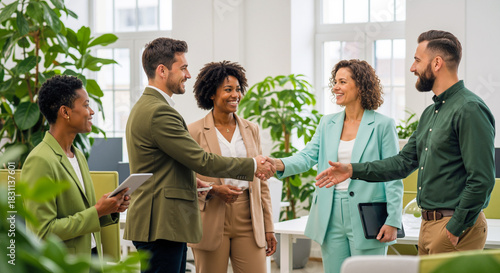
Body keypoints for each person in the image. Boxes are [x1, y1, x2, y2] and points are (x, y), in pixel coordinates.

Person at [316, 30, 495, 255]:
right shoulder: (431, 112)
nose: (412, 68)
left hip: (454, 225)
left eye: (417, 60)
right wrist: (352, 170)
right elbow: (402, 163)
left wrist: (456, 225)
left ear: (437, 63)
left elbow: (482, 179)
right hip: (429, 224)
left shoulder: (469, 109)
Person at [124, 38, 275, 273]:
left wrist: (200, 184)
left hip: (168, 223)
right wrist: (252, 165)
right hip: (163, 223)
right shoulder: (159, 112)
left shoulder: (150, 107)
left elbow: (166, 168)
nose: (188, 74)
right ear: (162, 71)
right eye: (183, 68)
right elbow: (202, 161)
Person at [272, 60, 403, 273]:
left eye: (342, 82)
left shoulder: (382, 125)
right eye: (335, 82)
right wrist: (279, 164)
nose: (335, 87)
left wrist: (393, 220)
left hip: (368, 215)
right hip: (330, 213)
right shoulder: (327, 123)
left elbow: (392, 174)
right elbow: (307, 157)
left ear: (360, 85)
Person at [22, 75, 130, 262]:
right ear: (65, 112)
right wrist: (97, 211)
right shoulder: (40, 160)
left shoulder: (77, 154)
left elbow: (80, 215)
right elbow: (43, 231)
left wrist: (109, 209)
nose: (92, 112)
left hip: (90, 258)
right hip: (64, 264)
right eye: (86, 105)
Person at [187, 61, 277, 273]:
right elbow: (184, 177)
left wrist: (268, 226)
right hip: (211, 213)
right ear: (211, 94)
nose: (235, 95)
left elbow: (261, 181)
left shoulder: (251, 129)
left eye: (238, 89)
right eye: (228, 90)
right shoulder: (194, 131)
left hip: (248, 215)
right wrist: (213, 190)